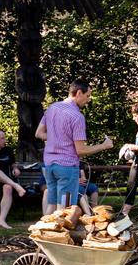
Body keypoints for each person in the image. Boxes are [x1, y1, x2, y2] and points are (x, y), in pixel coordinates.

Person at [36, 78, 114, 217]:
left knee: (51, 205)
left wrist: (57, 136)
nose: (88, 99)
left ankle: (41, 235)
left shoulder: (51, 108)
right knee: (64, 210)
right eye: (87, 95)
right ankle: (60, 237)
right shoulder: (77, 116)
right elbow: (81, 150)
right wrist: (104, 145)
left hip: (49, 165)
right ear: (78, 93)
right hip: (66, 167)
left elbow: (39, 133)